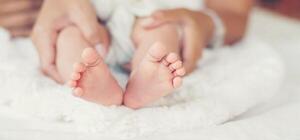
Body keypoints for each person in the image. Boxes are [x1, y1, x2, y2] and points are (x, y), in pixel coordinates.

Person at [1, 0, 253, 109]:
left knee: (162, 33)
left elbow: (235, 14)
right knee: (69, 36)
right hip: (92, 21)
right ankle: (93, 81)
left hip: (150, 18)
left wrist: (203, 21)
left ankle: (145, 80)